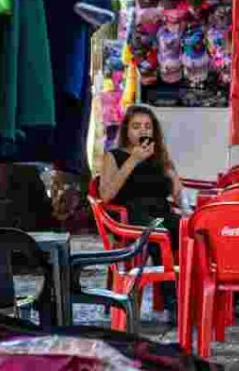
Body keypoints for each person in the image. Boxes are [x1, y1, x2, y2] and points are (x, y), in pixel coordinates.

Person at [97, 105, 184, 317]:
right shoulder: (114, 156)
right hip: (131, 217)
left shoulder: (160, 158)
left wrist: (174, 179)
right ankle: (174, 303)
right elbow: (106, 195)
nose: (143, 131)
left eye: (148, 126)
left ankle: (211, 296)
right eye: (136, 126)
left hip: (162, 212)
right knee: (158, 233)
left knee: (198, 233)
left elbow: (177, 199)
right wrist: (133, 160)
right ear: (127, 130)